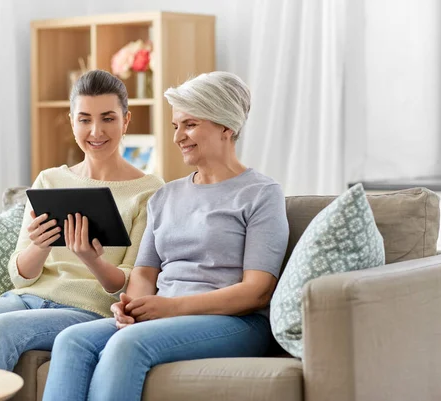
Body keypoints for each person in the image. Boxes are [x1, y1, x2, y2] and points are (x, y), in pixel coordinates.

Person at [42, 71, 290, 401]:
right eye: (176, 127)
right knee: (71, 340)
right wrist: (132, 307)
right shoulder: (166, 195)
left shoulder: (260, 194)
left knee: (129, 344)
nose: (178, 137)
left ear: (226, 126)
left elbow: (257, 291)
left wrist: (170, 308)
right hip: (164, 315)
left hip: (234, 321)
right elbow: (145, 273)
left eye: (189, 125)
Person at [0, 70, 164, 370]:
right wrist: (40, 246)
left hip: (87, 310)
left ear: (125, 120)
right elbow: (20, 274)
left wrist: (91, 260)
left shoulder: (149, 191)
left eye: (108, 118)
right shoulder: (50, 180)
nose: (96, 131)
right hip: (27, 298)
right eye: (85, 119)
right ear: (72, 121)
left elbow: (130, 286)